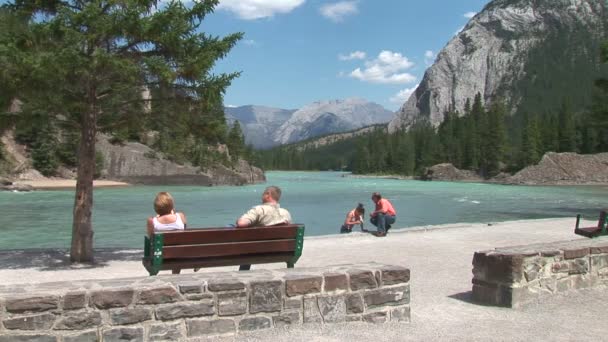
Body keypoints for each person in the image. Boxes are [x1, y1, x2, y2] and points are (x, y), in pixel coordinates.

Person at [236, 185, 292, 270]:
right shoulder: (286, 213)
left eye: (263, 194)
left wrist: (238, 220)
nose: (262, 196)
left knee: (230, 227)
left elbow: (241, 223)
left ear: (268, 195)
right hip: (280, 250)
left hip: (255, 251)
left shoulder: (259, 210)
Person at [146, 192, 188, 274]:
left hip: (161, 257)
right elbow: (184, 231)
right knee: (178, 247)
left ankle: (154, 273)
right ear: (172, 205)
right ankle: (175, 274)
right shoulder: (181, 216)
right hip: (179, 255)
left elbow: (151, 238)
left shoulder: (152, 221)